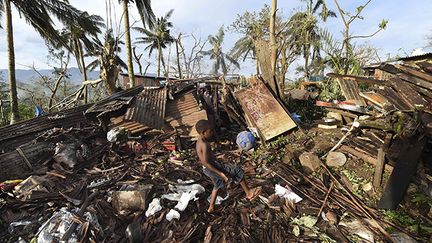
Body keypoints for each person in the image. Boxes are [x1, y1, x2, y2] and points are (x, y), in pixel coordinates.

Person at [195, 119, 262, 213]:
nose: (212, 132)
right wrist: (221, 173)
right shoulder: (204, 144)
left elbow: (205, 161)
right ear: (203, 132)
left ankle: (211, 207)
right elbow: (206, 162)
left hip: (209, 168)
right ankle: (249, 193)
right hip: (211, 168)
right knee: (237, 170)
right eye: (210, 131)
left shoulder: (199, 141)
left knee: (217, 185)